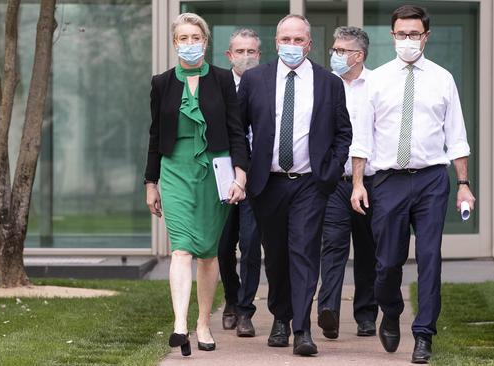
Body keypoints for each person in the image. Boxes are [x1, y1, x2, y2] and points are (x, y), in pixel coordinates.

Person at [350, 5, 476, 364]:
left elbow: (457, 137)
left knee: (429, 258)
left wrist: (463, 183)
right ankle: (390, 310)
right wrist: (358, 183)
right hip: (387, 180)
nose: (408, 40)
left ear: (426, 36)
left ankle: (424, 335)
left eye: (414, 34)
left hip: (431, 180)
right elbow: (362, 138)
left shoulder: (442, 79)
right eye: (401, 34)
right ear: (392, 36)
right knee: (386, 262)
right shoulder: (375, 80)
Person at [238, 14, 352, 356]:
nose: (291, 46)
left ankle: (302, 329)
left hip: (309, 183)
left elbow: (343, 132)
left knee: (303, 251)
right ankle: (281, 317)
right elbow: (237, 130)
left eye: (298, 40)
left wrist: (329, 172)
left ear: (309, 44)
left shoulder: (328, 82)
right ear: (276, 43)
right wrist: (243, 170)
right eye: (285, 40)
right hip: (267, 183)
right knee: (274, 256)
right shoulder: (255, 79)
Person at [144, 12, 249, 357]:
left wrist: (240, 176)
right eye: (183, 39)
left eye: (196, 38)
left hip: (214, 173)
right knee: (181, 248)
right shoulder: (162, 83)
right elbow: (155, 136)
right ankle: (179, 324)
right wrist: (151, 182)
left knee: (207, 254)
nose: (189, 44)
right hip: (175, 171)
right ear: (175, 43)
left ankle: (203, 323)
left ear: (206, 41)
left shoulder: (221, 80)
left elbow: (237, 132)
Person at [317, 26, 378, 340]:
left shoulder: (378, 85)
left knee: (368, 251)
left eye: (341, 50)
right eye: (334, 49)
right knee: (333, 246)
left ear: (359, 55)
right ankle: (328, 311)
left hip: (371, 181)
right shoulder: (325, 84)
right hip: (335, 182)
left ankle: (366, 315)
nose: (335, 55)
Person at [218, 28, 263, 338]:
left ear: (259, 55)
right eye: (240, 51)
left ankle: (246, 310)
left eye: (251, 51)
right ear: (229, 55)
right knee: (223, 246)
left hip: (256, 179)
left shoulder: (266, 84)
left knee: (250, 245)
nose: (246, 56)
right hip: (223, 177)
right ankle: (231, 299)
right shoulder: (218, 86)